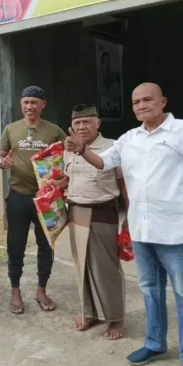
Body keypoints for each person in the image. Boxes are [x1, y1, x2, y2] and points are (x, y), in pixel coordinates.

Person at [65, 83, 183, 366]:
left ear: (163, 102)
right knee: (149, 289)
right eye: (136, 102)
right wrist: (82, 150)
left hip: (174, 230)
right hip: (142, 230)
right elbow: (105, 163)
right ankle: (155, 343)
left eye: (148, 99)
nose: (142, 105)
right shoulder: (129, 139)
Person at [0, 86, 68, 314]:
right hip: (18, 196)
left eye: (34, 102)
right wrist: (2, 163)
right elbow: (0, 157)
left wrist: (62, 180)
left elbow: (68, 158)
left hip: (46, 198)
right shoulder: (10, 129)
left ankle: (41, 290)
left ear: (43, 104)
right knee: (15, 246)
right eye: (26, 102)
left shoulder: (54, 131)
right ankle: (15, 291)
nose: (29, 107)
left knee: (46, 246)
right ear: (21, 104)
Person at [64, 104, 128, 340]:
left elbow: (124, 184)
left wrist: (129, 217)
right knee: (82, 267)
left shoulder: (112, 147)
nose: (81, 127)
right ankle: (89, 313)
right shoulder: (68, 148)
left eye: (87, 122)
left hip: (103, 211)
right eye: (77, 123)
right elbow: (68, 178)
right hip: (76, 210)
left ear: (98, 123)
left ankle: (115, 317)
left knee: (106, 268)